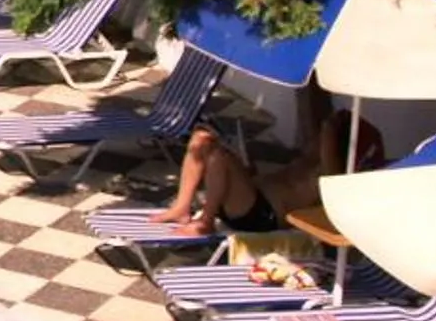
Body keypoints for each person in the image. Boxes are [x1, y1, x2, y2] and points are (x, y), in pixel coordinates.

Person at [150, 84, 387, 236]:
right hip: (246, 197)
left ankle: (207, 221)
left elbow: (327, 144)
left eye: (323, 136)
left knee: (219, 156)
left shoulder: (329, 172)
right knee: (201, 138)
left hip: (259, 216)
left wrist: (330, 130)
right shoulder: (306, 159)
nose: (316, 138)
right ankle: (181, 207)